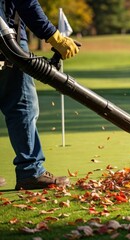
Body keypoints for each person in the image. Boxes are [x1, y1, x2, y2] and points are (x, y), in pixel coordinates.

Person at [0, 0, 79, 190]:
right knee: (21, 103)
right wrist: (54, 37)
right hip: (6, 37)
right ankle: (30, 172)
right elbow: (26, 3)